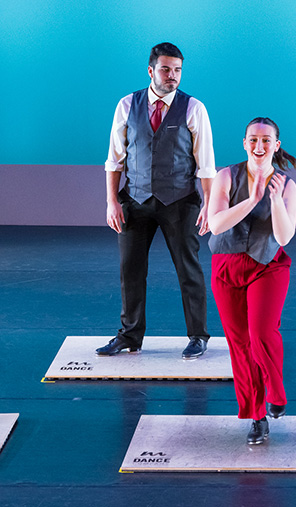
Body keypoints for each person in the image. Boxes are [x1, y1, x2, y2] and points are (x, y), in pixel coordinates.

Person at [98, 42, 214, 359]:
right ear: (151, 71)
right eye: (165, 69)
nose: (172, 75)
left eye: (177, 70)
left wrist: (208, 204)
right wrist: (111, 201)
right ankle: (129, 335)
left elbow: (205, 164)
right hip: (134, 200)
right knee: (130, 270)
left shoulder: (194, 108)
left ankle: (198, 335)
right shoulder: (127, 105)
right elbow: (114, 160)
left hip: (180, 200)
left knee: (189, 270)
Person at [207, 117, 296, 445]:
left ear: (276, 145)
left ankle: (276, 393)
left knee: (261, 332)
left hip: (267, 266)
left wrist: (273, 200)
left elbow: (284, 236)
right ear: (245, 143)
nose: (259, 146)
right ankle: (256, 416)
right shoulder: (226, 176)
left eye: (266, 140)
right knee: (239, 344)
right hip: (227, 267)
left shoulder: (287, 186)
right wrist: (251, 199)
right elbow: (216, 225)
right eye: (253, 140)